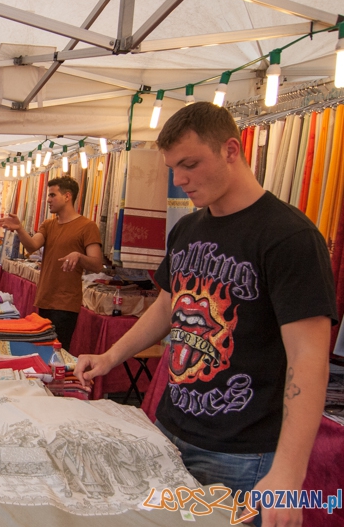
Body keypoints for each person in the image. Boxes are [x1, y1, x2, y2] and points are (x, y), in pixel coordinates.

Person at [75, 102, 336, 526]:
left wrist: (287, 473)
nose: (179, 181)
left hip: (244, 454)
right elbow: (166, 306)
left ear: (231, 150)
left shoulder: (290, 237)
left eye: (190, 164)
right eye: (173, 168)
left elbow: (309, 359)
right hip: (171, 428)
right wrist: (110, 357)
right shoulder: (187, 229)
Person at [0, 176, 103, 349]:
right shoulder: (48, 225)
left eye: (53, 195)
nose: (48, 200)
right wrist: (20, 229)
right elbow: (32, 246)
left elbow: (97, 264)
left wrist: (79, 256)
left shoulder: (87, 226)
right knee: (43, 348)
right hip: (45, 298)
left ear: (67, 196)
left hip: (66, 303)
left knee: (57, 352)